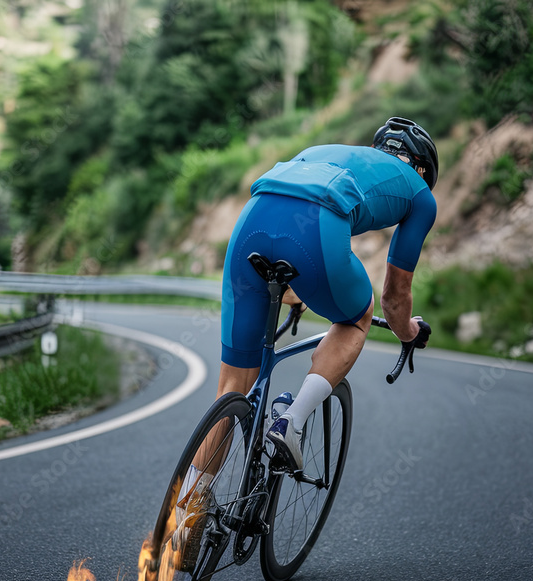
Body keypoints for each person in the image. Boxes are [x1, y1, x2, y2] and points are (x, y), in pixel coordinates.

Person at [174, 116, 438, 553]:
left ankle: (185, 512)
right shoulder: (420, 193)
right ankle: (292, 423)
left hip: (252, 221)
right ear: (423, 168)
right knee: (358, 314)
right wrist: (407, 331)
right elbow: (395, 296)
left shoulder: (330, 153)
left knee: (231, 389)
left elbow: (287, 218)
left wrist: (294, 293)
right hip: (316, 229)